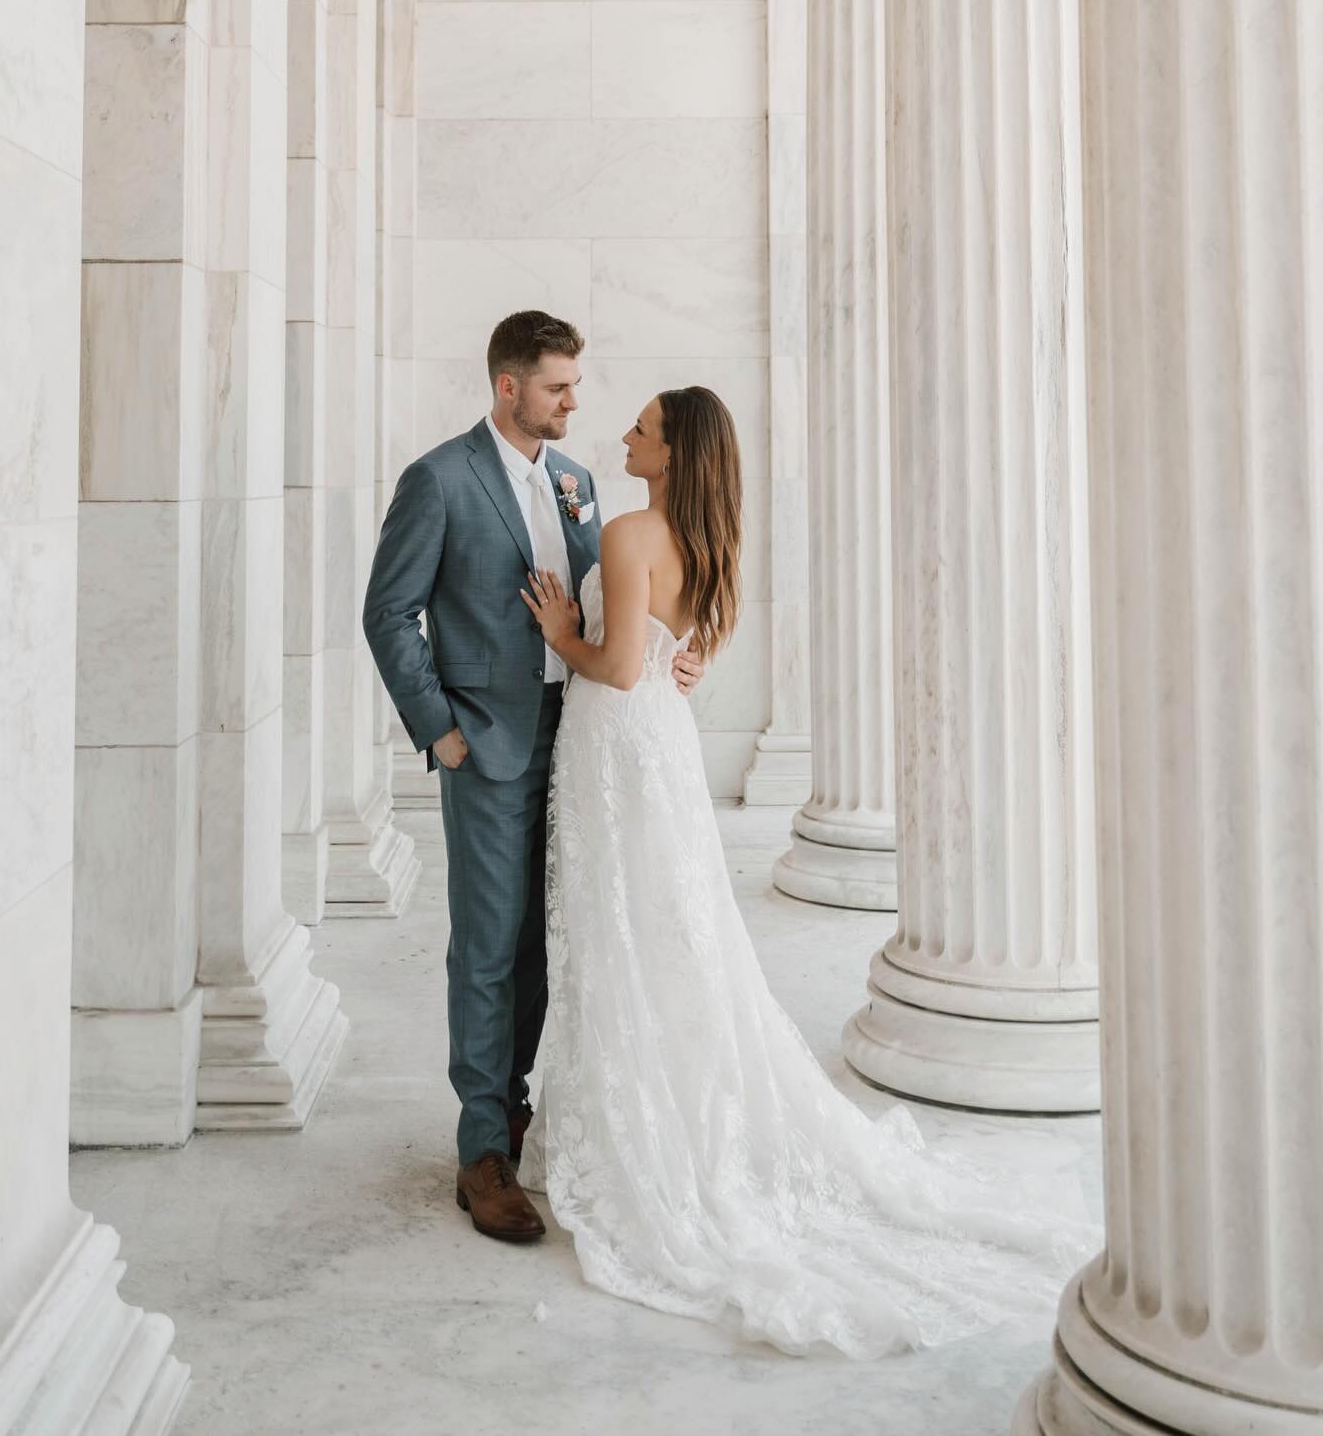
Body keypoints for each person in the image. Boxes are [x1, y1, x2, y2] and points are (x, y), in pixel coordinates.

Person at [516, 385, 1098, 1356]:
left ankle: (641, 1126)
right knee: (674, 931)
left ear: (674, 451)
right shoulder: (705, 541)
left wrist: (556, 630)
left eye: (643, 427)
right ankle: (666, 1107)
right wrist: (678, 661)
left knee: (620, 926)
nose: (626, 433)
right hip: (665, 745)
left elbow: (615, 667)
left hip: (616, 746)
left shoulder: (627, 533)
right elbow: (687, 646)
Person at [362, 311, 703, 1245]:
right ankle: (480, 1149)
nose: (572, 402)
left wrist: (681, 652)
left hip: (584, 741)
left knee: (548, 941)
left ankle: (513, 1111)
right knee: (486, 944)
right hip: (487, 744)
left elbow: (616, 608)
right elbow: (388, 612)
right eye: (557, 386)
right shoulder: (439, 479)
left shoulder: (578, 482)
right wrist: (441, 729)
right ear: (508, 385)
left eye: (575, 385)